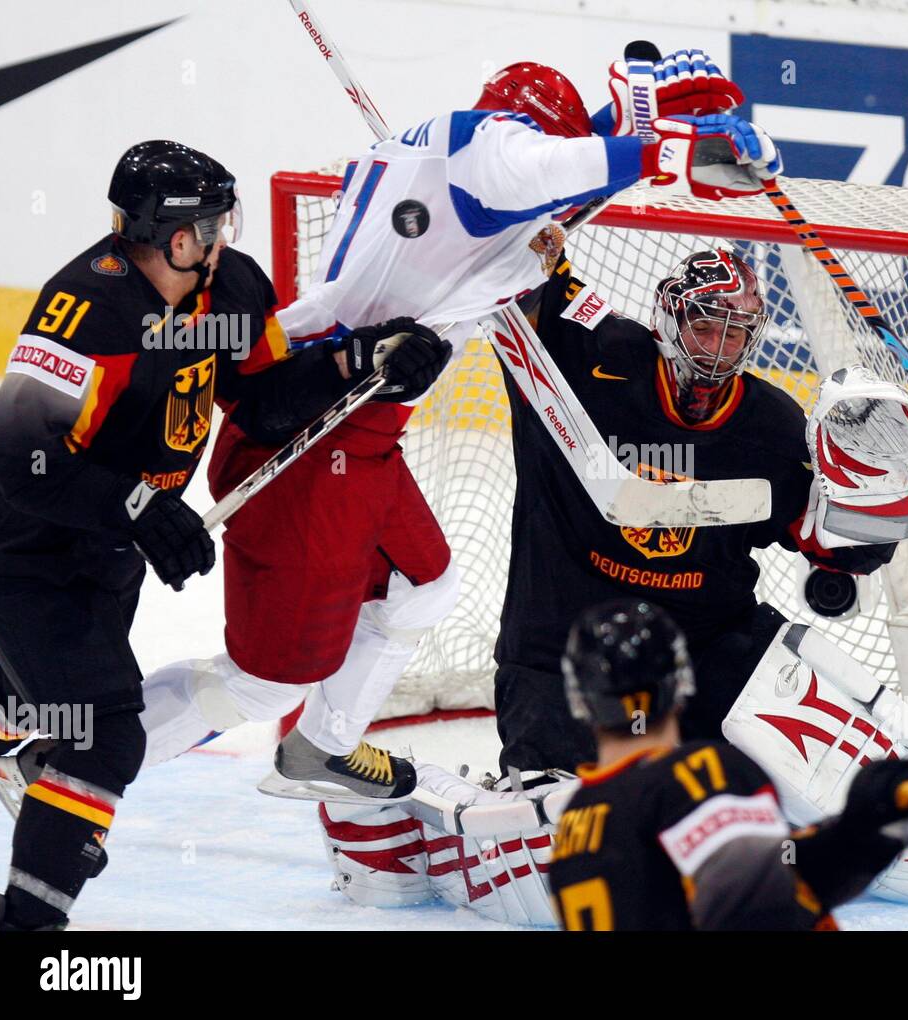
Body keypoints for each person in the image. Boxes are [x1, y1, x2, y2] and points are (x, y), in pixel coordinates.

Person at [134, 52, 783, 802]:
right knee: (261, 685)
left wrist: (631, 131)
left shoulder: (447, 157)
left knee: (426, 581)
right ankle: (76, 754)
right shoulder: (496, 154)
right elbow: (548, 166)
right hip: (315, 433)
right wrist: (675, 151)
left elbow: (558, 182)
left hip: (363, 426)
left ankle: (324, 745)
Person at [321, 248, 908, 914]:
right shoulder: (584, 354)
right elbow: (519, 262)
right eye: (706, 323)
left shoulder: (772, 424)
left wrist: (876, 506)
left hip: (710, 652)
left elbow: (829, 558)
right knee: (564, 860)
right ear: (668, 318)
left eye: (737, 329)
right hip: (563, 656)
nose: (719, 345)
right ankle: (396, 811)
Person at [0, 139, 440, 929]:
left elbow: (262, 400)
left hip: (110, 548)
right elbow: (16, 456)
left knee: (48, 697)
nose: (224, 235)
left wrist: (358, 366)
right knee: (102, 740)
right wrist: (136, 504)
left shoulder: (228, 288)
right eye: (211, 222)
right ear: (173, 235)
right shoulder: (84, 309)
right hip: (28, 549)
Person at [548, 600, 908, 930]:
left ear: (579, 702)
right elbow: (761, 910)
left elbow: (762, 882)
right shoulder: (697, 774)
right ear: (681, 684)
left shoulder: (572, 827)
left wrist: (863, 834)